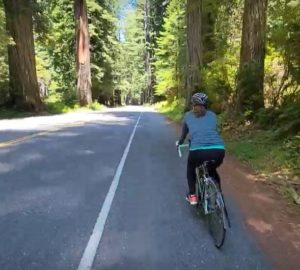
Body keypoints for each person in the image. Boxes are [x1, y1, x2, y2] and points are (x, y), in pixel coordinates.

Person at [178, 92, 225, 205]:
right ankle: (219, 195)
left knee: (190, 169)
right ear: (206, 104)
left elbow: (184, 134)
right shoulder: (213, 115)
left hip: (197, 151)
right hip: (218, 150)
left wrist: (180, 142)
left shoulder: (188, 116)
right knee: (212, 170)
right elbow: (215, 131)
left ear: (193, 104)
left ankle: (193, 196)